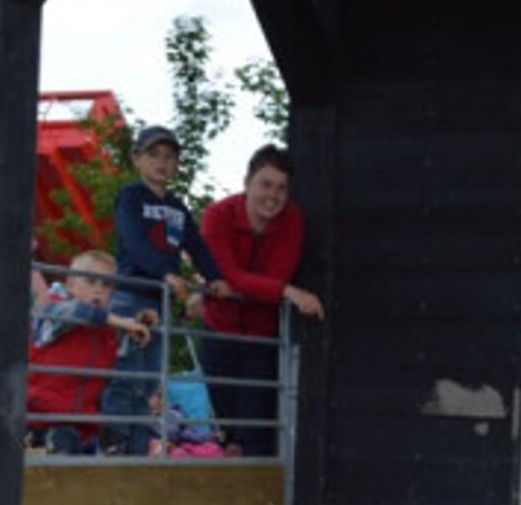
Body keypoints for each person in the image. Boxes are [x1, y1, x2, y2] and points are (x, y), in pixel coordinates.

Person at [99, 125, 230, 455]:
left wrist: (214, 277)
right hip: (132, 295)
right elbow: (134, 242)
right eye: (153, 155)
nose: (162, 163)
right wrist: (166, 273)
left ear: (177, 165)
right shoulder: (131, 197)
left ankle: (139, 443)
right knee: (127, 371)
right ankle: (114, 438)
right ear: (138, 160)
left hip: (159, 301)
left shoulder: (178, 206)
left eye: (169, 157)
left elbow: (197, 245)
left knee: (150, 378)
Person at [201, 144, 326, 457]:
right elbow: (226, 272)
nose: (273, 195)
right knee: (225, 421)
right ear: (247, 183)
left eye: (281, 188)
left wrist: (254, 285)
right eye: (266, 184)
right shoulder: (217, 215)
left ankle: (258, 500)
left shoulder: (292, 220)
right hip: (219, 329)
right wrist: (284, 291)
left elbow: (277, 271)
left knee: (256, 424)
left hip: (262, 337)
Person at [30, 251, 156, 454]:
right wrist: (121, 321)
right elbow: (80, 311)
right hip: (39, 415)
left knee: (82, 446)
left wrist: (138, 324)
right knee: (63, 442)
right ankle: (42, 444)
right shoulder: (55, 310)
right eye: (90, 281)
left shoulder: (106, 331)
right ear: (71, 284)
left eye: (106, 285)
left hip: (82, 424)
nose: (98, 290)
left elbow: (120, 363)